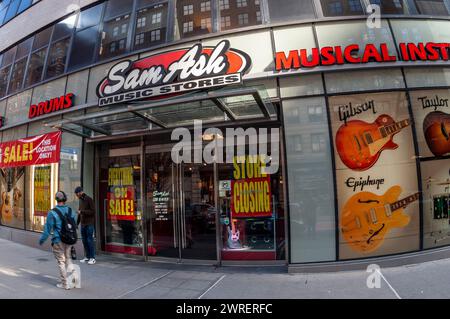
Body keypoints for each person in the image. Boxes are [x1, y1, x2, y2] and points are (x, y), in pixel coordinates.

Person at [39, 191, 78, 290]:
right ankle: (74, 280)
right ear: (65, 199)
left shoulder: (52, 213)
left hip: (58, 240)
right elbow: (74, 225)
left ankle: (65, 284)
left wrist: (41, 240)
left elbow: (47, 230)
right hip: (69, 240)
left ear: (56, 199)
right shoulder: (70, 210)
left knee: (61, 262)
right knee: (68, 259)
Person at [74, 186, 96, 265]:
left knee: (90, 240)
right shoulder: (81, 200)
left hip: (89, 223)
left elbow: (93, 211)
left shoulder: (89, 199)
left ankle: (92, 258)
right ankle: (87, 257)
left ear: (80, 192)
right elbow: (80, 213)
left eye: (77, 194)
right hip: (83, 224)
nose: (76, 196)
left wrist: (82, 212)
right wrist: (77, 223)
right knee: (84, 241)